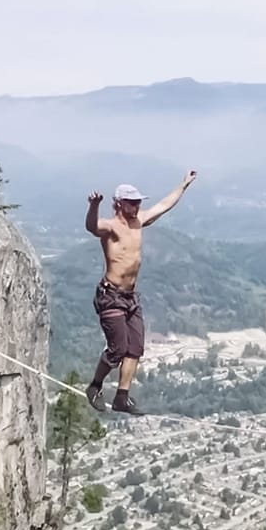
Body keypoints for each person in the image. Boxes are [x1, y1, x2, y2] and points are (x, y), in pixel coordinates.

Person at [83, 170, 197, 414]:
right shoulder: (111, 227)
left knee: (135, 348)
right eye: (132, 202)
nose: (136, 206)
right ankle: (94, 387)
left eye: (137, 203)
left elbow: (164, 205)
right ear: (119, 203)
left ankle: (122, 397)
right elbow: (92, 227)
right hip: (110, 295)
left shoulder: (139, 221)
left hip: (130, 297)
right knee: (117, 350)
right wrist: (94, 206)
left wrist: (183, 185)